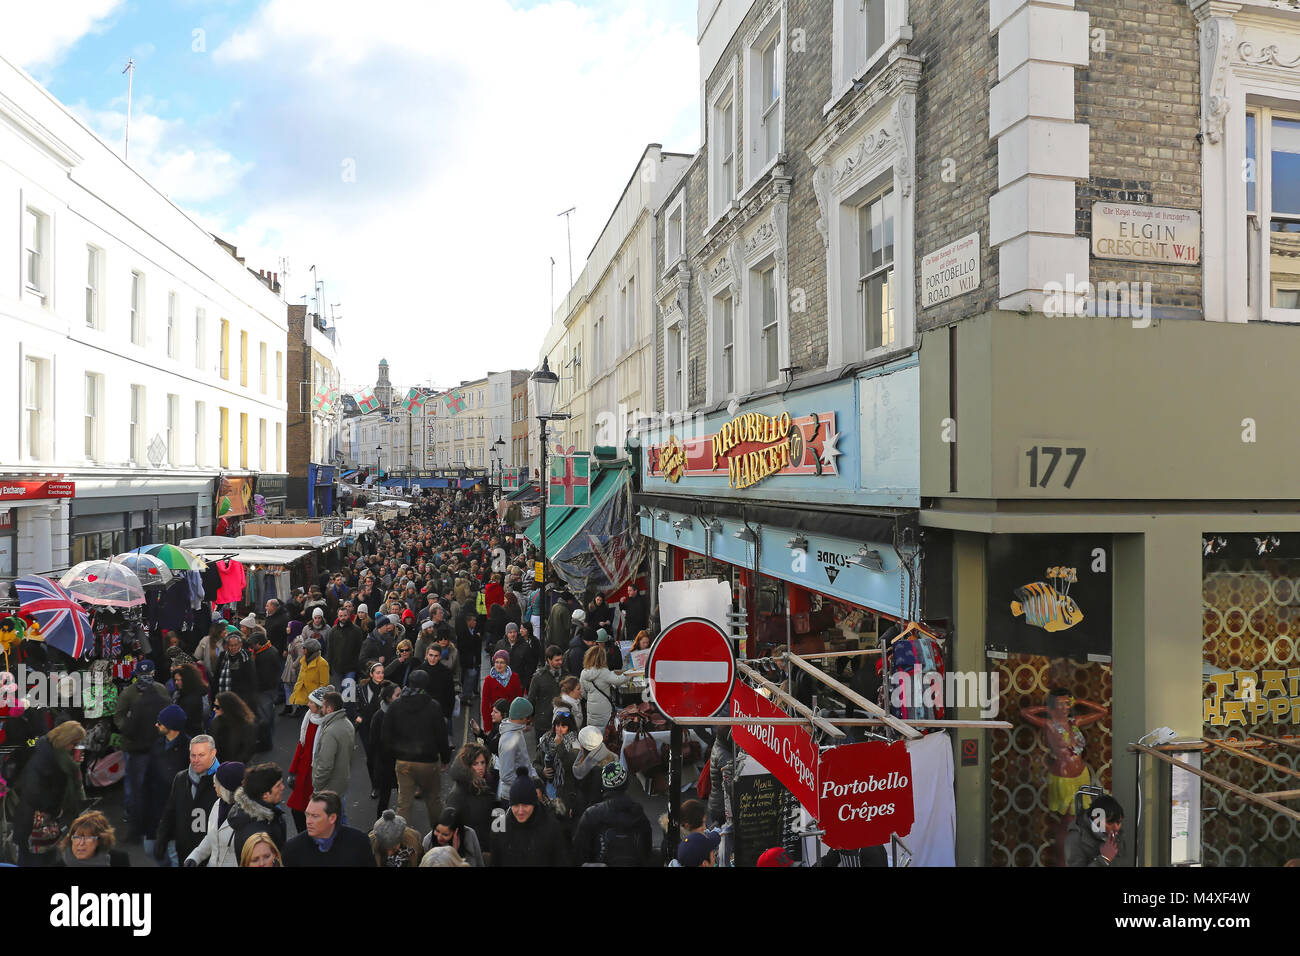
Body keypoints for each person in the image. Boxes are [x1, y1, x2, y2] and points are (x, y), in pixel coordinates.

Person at [1022, 687, 1108, 867]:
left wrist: (1080, 702)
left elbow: (1103, 711)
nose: (1064, 707)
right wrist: (1048, 709)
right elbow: (1025, 712)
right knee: (1068, 821)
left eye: (1067, 703)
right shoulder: (1050, 724)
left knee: (1080, 819)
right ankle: (1062, 861)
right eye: (1060, 704)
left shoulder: (1075, 721)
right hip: (1063, 776)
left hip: (1081, 774)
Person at [382, 669, 450, 829]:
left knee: (404, 803)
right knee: (433, 800)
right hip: (428, 761)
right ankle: (438, 836)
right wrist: (445, 758)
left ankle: (402, 839)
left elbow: (385, 735)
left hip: (404, 760)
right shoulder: (433, 706)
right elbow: (441, 734)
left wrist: (393, 754)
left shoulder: (395, 706)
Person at [12, 721, 87, 867]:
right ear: (65, 740)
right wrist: (56, 809)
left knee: (48, 857)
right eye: (74, 743)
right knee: (37, 860)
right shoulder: (44, 759)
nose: (75, 747)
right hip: (35, 824)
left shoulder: (57, 754)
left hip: (44, 822)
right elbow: (33, 793)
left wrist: (74, 765)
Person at [114, 660, 170, 843]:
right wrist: (128, 729)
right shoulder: (129, 693)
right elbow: (119, 716)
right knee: (134, 789)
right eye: (141, 675)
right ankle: (135, 820)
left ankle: (144, 825)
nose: (145, 677)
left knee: (145, 787)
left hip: (150, 746)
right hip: (138, 746)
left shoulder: (161, 690)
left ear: (153, 673)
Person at [155, 734, 220, 864]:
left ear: (213, 753)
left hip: (213, 856)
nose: (196, 760)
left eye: (201, 755)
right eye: (193, 755)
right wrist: (162, 838)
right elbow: (170, 811)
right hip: (185, 853)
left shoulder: (223, 781)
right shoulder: (181, 778)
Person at [572, 762, 653, 866]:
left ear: (604, 785)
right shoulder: (639, 815)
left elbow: (578, 854)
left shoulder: (590, 815)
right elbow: (646, 852)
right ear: (626, 783)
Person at [143, 704, 191, 865]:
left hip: (175, 815)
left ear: (171, 727)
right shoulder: (157, 745)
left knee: (173, 854)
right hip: (155, 811)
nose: (156, 725)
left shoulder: (189, 751)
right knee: (151, 849)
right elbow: (148, 777)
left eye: (160, 722)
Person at [489, 776, 569, 867]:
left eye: (525, 805)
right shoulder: (500, 828)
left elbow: (560, 860)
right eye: (515, 805)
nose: (520, 811)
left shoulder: (551, 827)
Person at [282, 790, 376, 867]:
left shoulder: (359, 842)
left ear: (332, 818)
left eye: (315, 816)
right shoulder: (292, 850)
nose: (308, 821)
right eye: (307, 815)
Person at [185, 760, 246, 867]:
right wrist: (195, 856)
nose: (214, 785)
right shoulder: (218, 804)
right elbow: (212, 836)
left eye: (217, 783)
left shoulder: (247, 815)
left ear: (227, 788)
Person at [287, 687, 330, 833]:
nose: (307, 704)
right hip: (303, 773)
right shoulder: (308, 717)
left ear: (319, 706)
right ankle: (304, 836)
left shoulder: (327, 725)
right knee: (297, 811)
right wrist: (293, 771)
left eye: (311, 702)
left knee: (313, 814)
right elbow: (301, 745)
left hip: (315, 776)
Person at [534, 708, 582, 828]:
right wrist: (542, 771)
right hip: (548, 788)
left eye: (563, 726)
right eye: (557, 725)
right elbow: (535, 763)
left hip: (565, 790)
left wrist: (558, 745)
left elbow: (569, 766)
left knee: (561, 823)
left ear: (569, 728)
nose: (558, 729)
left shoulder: (575, 745)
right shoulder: (545, 740)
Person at [227, 763, 288, 854]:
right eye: (278, 785)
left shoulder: (269, 815)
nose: (283, 788)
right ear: (265, 795)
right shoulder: (258, 834)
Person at [312, 691, 355, 809]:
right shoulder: (347, 724)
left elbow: (325, 765)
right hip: (341, 782)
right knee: (340, 815)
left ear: (329, 709)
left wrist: (317, 784)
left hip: (328, 787)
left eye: (323, 706)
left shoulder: (330, 732)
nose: (321, 709)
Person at [446, 744, 496, 845]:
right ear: (467, 766)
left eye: (482, 763)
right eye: (475, 764)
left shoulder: (487, 783)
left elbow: (497, 814)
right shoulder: (457, 795)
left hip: (487, 844)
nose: (480, 767)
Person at [579, 645, 629, 734]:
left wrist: (591, 698)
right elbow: (618, 680)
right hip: (604, 709)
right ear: (602, 658)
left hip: (591, 709)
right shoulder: (603, 672)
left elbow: (582, 693)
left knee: (593, 732)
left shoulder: (584, 673)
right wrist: (628, 675)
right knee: (605, 731)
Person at [55, 810, 130, 867]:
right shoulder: (62, 864)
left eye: (88, 838)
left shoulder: (119, 861)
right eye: (76, 837)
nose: (81, 843)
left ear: (100, 840)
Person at [326, 605, 366, 711]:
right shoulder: (333, 631)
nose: (343, 617)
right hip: (337, 667)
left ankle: (350, 713)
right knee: (339, 692)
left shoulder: (356, 630)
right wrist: (329, 666)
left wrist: (358, 666)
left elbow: (360, 649)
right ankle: (341, 712)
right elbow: (330, 650)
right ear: (338, 616)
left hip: (351, 667)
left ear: (349, 616)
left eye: (345, 615)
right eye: (341, 616)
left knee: (348, 692)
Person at [1066, 794, 1124, 867]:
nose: (1116, 828)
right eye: (1110, 822)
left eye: (1118, 822)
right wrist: (1104, 859)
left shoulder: (1117, 833)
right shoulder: (1075, 838)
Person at [497, 697, 536, 803]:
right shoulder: (508, 739)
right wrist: (526, 784)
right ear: (523, 718)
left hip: (520, 791)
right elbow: (506, 775)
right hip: (513, 796)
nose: (530, 721)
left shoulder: (517, 731)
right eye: (529, 718)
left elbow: (523, 760)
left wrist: (534, 775)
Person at [369, 682, 401, 813]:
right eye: (398, 695)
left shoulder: (402, 711)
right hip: (386, 763)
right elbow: (373, 743)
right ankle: (379, 826)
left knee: (403, 800)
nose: (401, 697)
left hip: (400, 761)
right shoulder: (379, 717)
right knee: (384, 798)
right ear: (388, 698)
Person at [248, 627, 281, 752]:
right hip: (270, 688)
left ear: (259, 643)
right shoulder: (270, 650)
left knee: (264, 717)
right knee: (268, 715)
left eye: (253, 645)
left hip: (265, 690)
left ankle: (266, 743)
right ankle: (267, 739)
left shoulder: (264, 656)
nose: (252, 647)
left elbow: (265, 676)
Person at [422, 806, 486, 867]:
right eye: (437, 831)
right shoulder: (428, 841)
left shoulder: (469, 835)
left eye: (445, 834)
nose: (439, 837)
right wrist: (453, 852)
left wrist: (455, 854)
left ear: (456, 832)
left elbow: (479, 863)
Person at [573, 725, 617, 811]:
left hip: (590, 811)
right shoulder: (611, 756)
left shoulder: (593, 771)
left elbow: (593, 799)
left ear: (581, 747)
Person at [527, 646, 566, 745]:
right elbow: (531, 699)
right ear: (549, 660)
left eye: (561, 659)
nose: (560, 662)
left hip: (562, 722)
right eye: (557, 660)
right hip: (543, 723)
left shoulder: (565, 675)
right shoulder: (538, 677)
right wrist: (528, 719)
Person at [215, 631, 259, 713]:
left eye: (235, 645)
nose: (233, 648)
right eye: (231, 645)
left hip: (239, 698)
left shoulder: (245, 658)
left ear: (240, 645)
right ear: (227, 646)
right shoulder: (222, 656)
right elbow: (217, 675)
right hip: (222, 695)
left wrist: (247, 699)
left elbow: (251, 680)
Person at [209, 691, 256, 764]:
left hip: (238, 766)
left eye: (217, 707)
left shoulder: (246, 726)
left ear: (226, 707)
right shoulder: (215, 723)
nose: (214, 709)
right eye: (214, 706)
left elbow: (247, 751)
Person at [481, 650, 524, 730]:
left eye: (502, 662)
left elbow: (519, 701)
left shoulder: (514, 677)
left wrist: (518, 721)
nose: (499, 665)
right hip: (495, 722)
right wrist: (487, 727)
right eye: (496, 662)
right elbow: (485, 705)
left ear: (506, 663)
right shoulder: (489, 680)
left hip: (511, 721)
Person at [495, 622, 538, 691]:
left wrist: (524, 682)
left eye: (514, 632)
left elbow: (530, 665)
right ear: (506, 633)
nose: (512, 634)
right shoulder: (500, 645)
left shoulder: (525, 646)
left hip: (519, 682)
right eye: (510, 632)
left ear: (517, 633)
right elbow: (494, 662)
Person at [291, 638, 329, 715]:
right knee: (303, 724)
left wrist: (317, 701)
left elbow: (324, 685)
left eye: (304, 648)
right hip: (302, 698)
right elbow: (300, 678)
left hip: (313, 700)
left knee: (312, 724)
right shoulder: (304, 660)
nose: (302, 649)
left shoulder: (322, 663)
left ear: (310, 650)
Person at [172, 662, 209, 736]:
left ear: (187, 680)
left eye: (178, 680)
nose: (176, 682)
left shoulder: (192, 699)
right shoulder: (183, 694)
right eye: (175, 680)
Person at [279, 620, 306, 716]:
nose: (287, 628)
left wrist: (294, 665)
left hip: (294, 667)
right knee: (287, 686)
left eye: (289, 626)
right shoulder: (292, 638)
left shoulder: (298, 641)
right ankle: (289, 705)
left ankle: (297, 707)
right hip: (290, 665)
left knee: (294, 686)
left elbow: (301, 655)